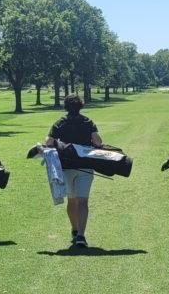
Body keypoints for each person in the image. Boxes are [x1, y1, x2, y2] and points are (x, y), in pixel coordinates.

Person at [45, 94, 102, 248]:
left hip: (66, 167)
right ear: (81, 106)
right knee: (83, 201)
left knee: (71, 200)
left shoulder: (59, 123)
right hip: (85, 166)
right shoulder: (88, 122)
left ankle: (75, 230)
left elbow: (48, 143)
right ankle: (81, 236)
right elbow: (98, 141)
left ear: (66, 107)